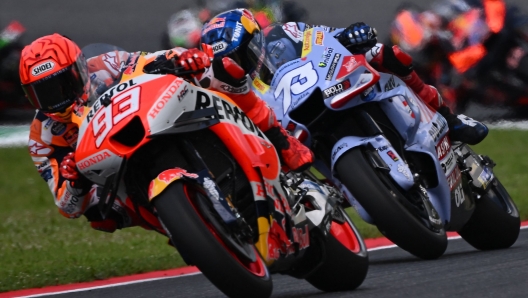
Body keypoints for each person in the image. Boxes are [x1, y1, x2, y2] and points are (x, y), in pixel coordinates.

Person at [19, 33, 312, 233]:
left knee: (221, 72)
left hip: (152, 120)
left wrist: (182, 60)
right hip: (114, 169)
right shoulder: (42, 136)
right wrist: (75, 183)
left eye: (60, 85)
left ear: (79, 69)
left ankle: (281, 141)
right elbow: (67, 206)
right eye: (40, 94)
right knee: (101, 217)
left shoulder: (106, 65)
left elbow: (152, 59)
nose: (53, 99)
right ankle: (186, 227)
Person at [200, 9, 489, 145]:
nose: (240, 63)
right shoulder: (238, 91)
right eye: (230, 61)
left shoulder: (282, 35)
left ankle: (450, 119)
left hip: (332, 82)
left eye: (242, 53)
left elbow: (322, 36)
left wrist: (350, 35)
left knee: (384, 54)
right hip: (298, 124)